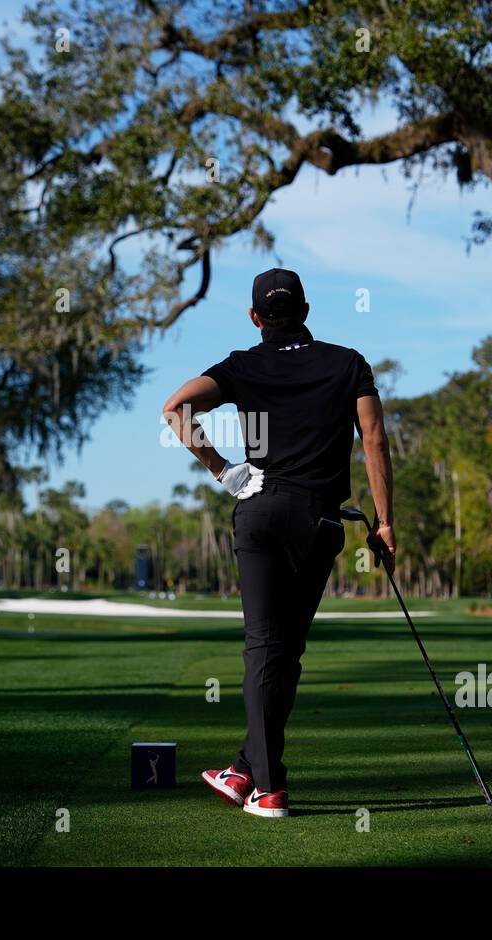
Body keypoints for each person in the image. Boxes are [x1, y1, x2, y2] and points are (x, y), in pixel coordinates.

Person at [161, 267, 395, 818]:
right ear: (307, 311)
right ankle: (247, 768)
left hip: (262, 509)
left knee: (267, 645)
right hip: (322, 521)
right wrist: (384, 524)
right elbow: (376, 440)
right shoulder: (348, 362)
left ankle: (266, 786)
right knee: (284, 648)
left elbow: (175, 408)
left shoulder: (243, 364)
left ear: (255, 317)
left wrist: (222, 470)